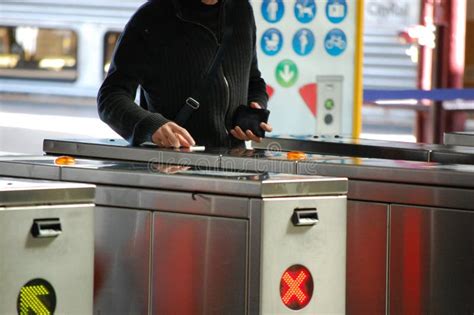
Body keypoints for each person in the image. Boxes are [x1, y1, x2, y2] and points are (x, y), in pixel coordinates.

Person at [98, 0, 272, 148]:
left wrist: (253, 109)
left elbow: (253, 80)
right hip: (172, 167)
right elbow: (110, 97)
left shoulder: (241, 11)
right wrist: (150, 126)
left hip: (232, 167)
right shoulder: (151, 18)